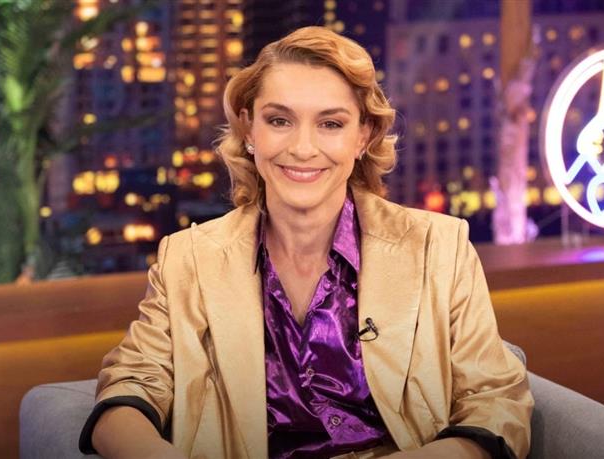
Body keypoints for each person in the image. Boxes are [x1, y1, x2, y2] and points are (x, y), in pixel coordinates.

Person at [79, 26, 533, 459]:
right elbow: (128, 388)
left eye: (330, 124)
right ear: (249, 130)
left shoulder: (440, 249)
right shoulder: (188, 260)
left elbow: (496, 399)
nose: (302, 148)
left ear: (363, 136)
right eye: (279, 120)